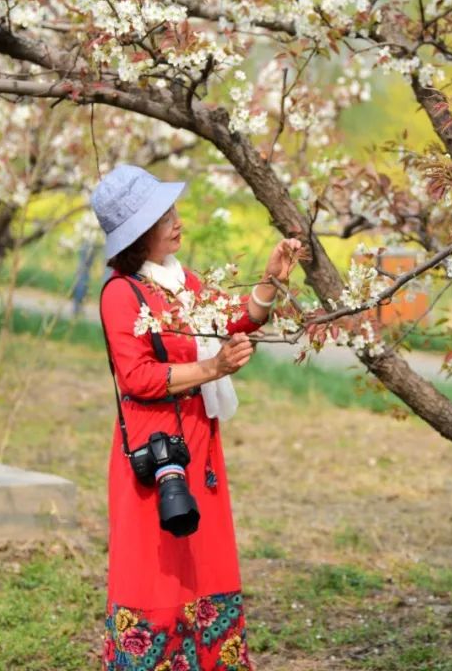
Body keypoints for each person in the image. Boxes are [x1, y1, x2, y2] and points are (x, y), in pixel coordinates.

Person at [90, 165, 301, 671]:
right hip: (156, 449)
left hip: (199, 440)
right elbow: (137, 378)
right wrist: (212, 368)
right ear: (139, 234)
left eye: (173, 212)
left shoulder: (180, 281)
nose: (177, 222)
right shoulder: (121, 293)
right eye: (164, 218)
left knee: (204, 558)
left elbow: (232, 316)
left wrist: (271, 278)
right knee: (156, 566)